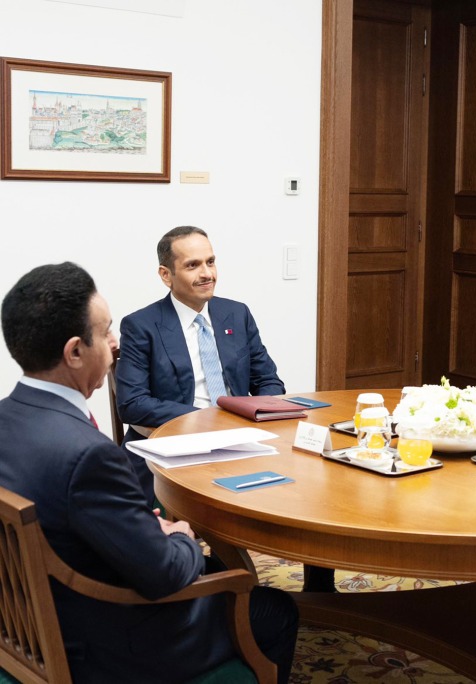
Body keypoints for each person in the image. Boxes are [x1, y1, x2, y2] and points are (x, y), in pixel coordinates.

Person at [0, 262, 297, 683]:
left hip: (26, 619)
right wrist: (181, 537)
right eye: (105, 333)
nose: (114, 342)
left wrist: (137, 528)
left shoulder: (7, 417)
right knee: (273, 608)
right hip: (107, 644)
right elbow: (166, 575)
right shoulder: (88, 456)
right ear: (75, 352)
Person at [115, 226, 284, 499]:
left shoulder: (236, 314)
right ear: (166, 275)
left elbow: (269, 381)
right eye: (193, 265)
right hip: (172, 450)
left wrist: (258, 417)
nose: (207, 274)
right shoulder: (141, 325)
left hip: (240, 444)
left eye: (211, 262)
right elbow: (132, 404)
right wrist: (206, 420)